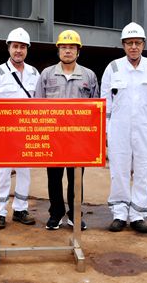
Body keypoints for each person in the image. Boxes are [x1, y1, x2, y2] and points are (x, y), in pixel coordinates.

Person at [101, 22, 147, 234]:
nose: (133, 47)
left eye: (137, 43)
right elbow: (105, 102)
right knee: (119, 171)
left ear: (143, 44)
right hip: (118, 129)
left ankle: (138, 215)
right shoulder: (113, 68)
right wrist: (106, 130)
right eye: (129, 43)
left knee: (144, 171)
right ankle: (120, 214)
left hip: (146, 129)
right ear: (123, 45)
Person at [34, 29, 99, 231]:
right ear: (58, 50)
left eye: (71, 47)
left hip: (78, 138)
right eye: (63, 47)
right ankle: (55, 214)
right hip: (53, 137)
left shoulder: (88, 75)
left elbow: (96, 107)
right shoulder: (47, 74)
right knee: (54, 178)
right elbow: (37, 104)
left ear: (78, 51)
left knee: (76, 178)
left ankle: (75, 214)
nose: (67, 51)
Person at [0, 28, 40, 229]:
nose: (18, 50)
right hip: (4, 133)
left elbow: (39, 102)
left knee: (25, 172)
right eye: (15, 46)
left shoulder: (34, 73)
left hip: (26, 131)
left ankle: (20, 210)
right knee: (3, 173)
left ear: (27, 49)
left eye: (22, 47)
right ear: (9, 47)